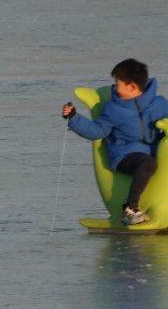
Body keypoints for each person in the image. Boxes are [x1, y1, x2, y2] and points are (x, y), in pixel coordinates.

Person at [63, 58, 168, 226]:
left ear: (132, 86)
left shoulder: (160, 104)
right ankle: (131, 208)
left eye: (118, 83)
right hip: (125, 156)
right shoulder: (113, 109)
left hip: (154, 152)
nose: (115, 87)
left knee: (152, 161)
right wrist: (74, 118)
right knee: (147, 164)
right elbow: (97, 131)